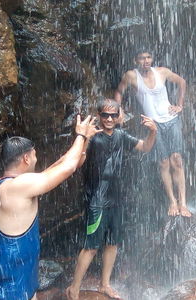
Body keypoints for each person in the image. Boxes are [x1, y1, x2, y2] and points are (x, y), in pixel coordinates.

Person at [0, 115, 101, 300]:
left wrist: (85, 140)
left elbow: (64, 164)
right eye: (34, 155)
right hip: (11, 286)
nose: (36, 159)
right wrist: (79, 135)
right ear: (26, 158)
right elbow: (69, 167)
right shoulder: (16, 187)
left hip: (20, 278)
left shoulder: (15, 184)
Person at [66, 99, 157, 300]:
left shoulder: (121, 136)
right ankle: (74, 289)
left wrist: (153, 132)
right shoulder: (93, 137)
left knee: (112, 243)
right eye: (105, 115)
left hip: (116, 198)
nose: (109, 119)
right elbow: (78, 163)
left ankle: (104, 284)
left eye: (113, 115)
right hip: (96, 200)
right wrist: (84, 138)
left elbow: (145, 147)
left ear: (118, 117)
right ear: (99, 115)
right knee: (90, 247)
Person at [114, 50, 191, 217]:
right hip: (153, 125)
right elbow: (119, 91)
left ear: (152, 59)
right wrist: (118, 110)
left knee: (176, 159)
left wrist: (179, 105)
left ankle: (183, 202)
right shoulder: (131, 76)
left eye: (148, 57)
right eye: (142, 58)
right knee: (163, 162)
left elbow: (182, 82)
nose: (146, 61)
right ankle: (172, 201)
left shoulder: (162, 71)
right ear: (136, 60)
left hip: (171, 120)